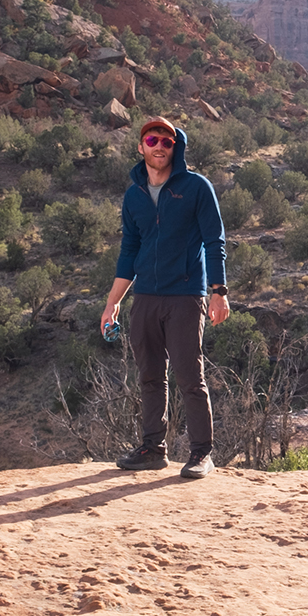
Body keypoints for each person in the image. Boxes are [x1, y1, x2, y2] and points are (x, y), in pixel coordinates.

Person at [102, 116, 230, 478]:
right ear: (140, 147)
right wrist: (113, 303)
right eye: (152, 140)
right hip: (145, 296)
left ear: (177, 147)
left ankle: (201, 453)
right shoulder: (134, 195)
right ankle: (152, 449)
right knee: (150, 376)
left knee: (190, 376)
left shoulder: (196, 187)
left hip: (185, 296)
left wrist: (218, 292)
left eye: (167, 142)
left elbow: (214, 241)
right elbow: (129, 250)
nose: (159, 146)